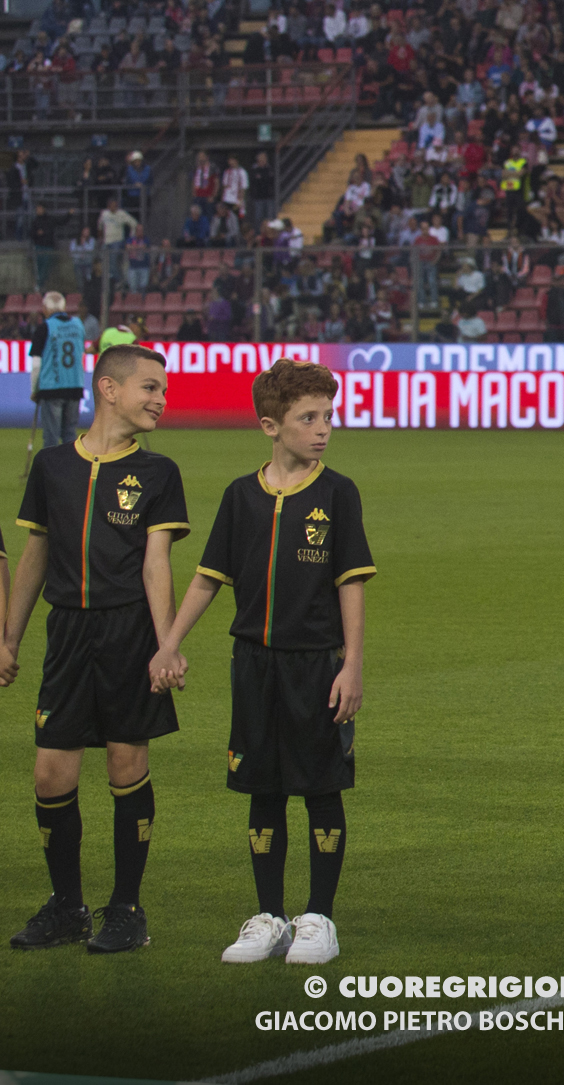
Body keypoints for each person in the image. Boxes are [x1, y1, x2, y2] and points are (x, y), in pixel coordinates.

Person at [150, 361, 375, 966]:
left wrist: (352, 664)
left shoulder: (338, 493)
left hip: (316, 665)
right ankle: (269, 918)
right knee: (263, 788)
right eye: (309, 418)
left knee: (321, 787)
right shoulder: (240, 495)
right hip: (252, 665)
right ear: (271, 426)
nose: (323, 429)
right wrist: (170, 642)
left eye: (328, 416)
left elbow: (351, 583)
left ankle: (319, 918)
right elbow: (208, 577)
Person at [1, 345, 190, 954]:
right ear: (109, 389)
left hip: (128, 634)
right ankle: (67, 907)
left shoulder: (158, 472)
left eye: (163, 390)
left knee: (125, 765)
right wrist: (8, 637)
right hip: (67, 636)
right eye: (150, 387)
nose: (161, 399)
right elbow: (35, 556)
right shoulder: (53, 466)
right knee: (50, 773)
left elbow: (156, 564)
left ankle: (127, 910)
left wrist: (167, 645)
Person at [30, 291, 89, 453]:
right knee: (70, 434)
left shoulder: (45, 327)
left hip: (52, 388)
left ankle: (52, 468)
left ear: (46, 308)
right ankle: (71, 467)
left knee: (51, 437)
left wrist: (35, 389)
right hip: (75, 386)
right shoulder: (78, 325)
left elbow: (36, 364)